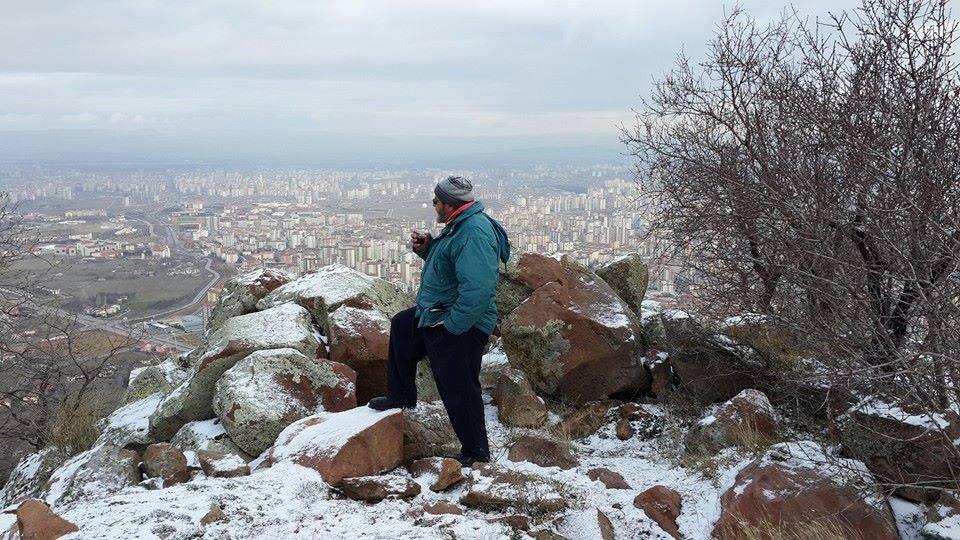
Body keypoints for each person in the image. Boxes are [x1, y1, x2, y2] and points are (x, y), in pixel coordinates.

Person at [368, 175, 510, 466]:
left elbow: (479, 288)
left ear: (448, 204)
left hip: (462, 323)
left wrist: (454, 327)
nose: (432, 205)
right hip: (437, 313)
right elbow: (450, 266)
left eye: (436, 200)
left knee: (458, 386)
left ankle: (476, 453)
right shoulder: (459, 226)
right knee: (402, 328)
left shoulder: (474, 233)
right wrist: (428, 249)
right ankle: (400, 396)